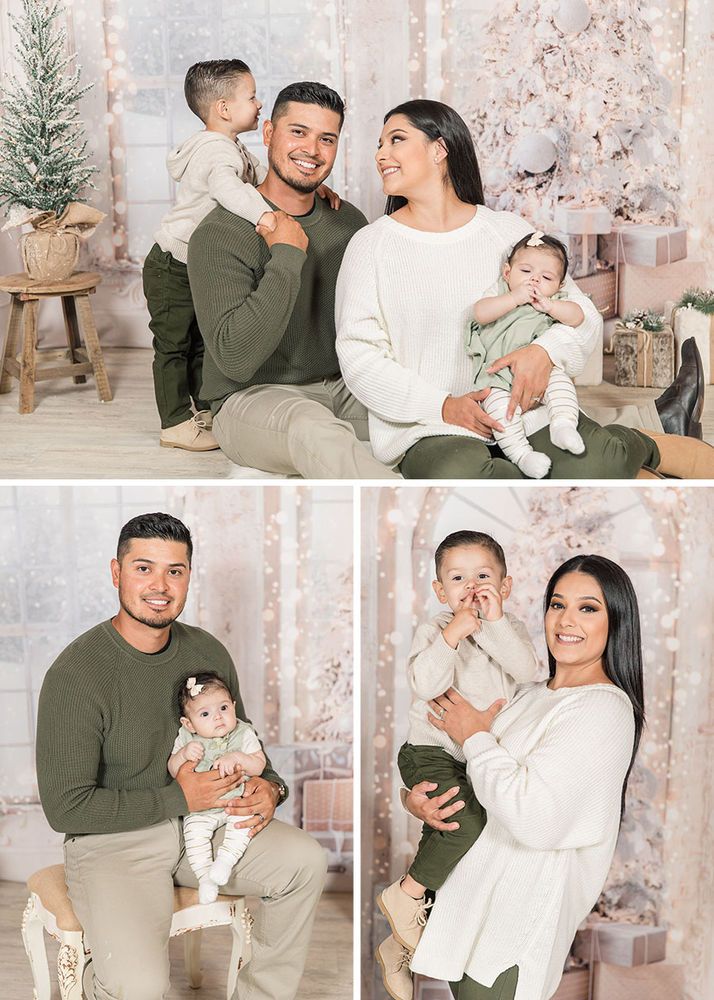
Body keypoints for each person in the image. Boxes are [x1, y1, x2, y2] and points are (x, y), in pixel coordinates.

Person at [335, 99, 714, 480]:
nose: (381, 154)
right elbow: (359, 355)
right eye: (379, 145)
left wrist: (543, 352)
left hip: (526, 412)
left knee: (600, 463)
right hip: (431, 427)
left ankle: (645, 444)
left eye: (395, 140)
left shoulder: (508, 232)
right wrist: (443, 406)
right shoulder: (371, 245)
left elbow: (582, 319)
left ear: (439, 150)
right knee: (469, 479)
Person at [36, 512, 327, 1000]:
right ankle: (94, 984)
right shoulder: (77, 673)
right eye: (143, 568)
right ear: (116, 572)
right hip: (114, 843)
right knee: (141, 988)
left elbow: (245, 744)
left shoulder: (206, 650)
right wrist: (180, 797)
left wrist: (271, 789)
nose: (160, 585)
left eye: (175, 570)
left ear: (189, 575)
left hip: (209, 824)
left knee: (305, 861)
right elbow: (64, 807)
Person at [394, 554, 644, 1000]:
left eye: (588, 608)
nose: (567, 620)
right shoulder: (523, 694)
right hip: (466, 918)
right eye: (556, 604)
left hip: (508, 937)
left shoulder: (603, 708)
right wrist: (414, 799)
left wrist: (474, 736)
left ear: (616, 622)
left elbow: (533, 817)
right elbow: (470, 782)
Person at [187, 80, 400, 478]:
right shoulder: (220, 233)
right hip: (249, 399)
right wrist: (286, 254)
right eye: (298, 132)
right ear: (268, 134)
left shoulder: (347, 221)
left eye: (327, 139)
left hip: (341, 388)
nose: (312, 151)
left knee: (420, 418)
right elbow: (235, 357)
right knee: (314, 431)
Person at [143, 59, 340, 453]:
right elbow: (233, 193)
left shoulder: (228, 146)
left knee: (205, 342)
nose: (258, 103)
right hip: (174, 262)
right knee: (173, 344)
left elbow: (258, 182)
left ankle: (203, 408)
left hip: (197, 259)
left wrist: (309, 189)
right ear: (224, 109)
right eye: (251, 97)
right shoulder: (217, 153)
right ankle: (175, 423)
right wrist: (270, 218)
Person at [377, 531, 539, 1000]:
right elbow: (426, 684)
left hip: (477, 758)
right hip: (431, 751)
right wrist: (454, 634)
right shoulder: (434, 631)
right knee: (463, 825)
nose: (471, 586)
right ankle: (405, 895)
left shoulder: (511, 630)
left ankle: (398, 947)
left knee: (458, 842)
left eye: (483, 577)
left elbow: (526, 670)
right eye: (458, 578)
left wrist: (492, 621)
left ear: (505, 587)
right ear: (440, 590)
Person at [469, 231, 585, 478]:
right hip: (497, 377)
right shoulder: (500, 292)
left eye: (545, 277)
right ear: (507, 272)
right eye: (525, 272)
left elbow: (578, 316)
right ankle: (522, 455)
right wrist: (513, 297)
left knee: (561, 384)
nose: (534, 281)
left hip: (541, 373)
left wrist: (551, 306)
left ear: (559, 285)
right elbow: (479, 313)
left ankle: (563, 425)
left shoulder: (553, 300)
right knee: (501, 413)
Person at [169, 671, 267, 904]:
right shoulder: (186, 737)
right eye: (205, 713)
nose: (218, 718)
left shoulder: (243, 732)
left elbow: (259, 764)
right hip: (201, 808)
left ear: (233, 706)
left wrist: (239, 758)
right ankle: (205, 878)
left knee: (242, 826)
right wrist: (183, 754)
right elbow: (173, 769)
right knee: (194, 836)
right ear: (189, 723)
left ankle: (225, 861)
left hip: (235, 801)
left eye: (223, 708)